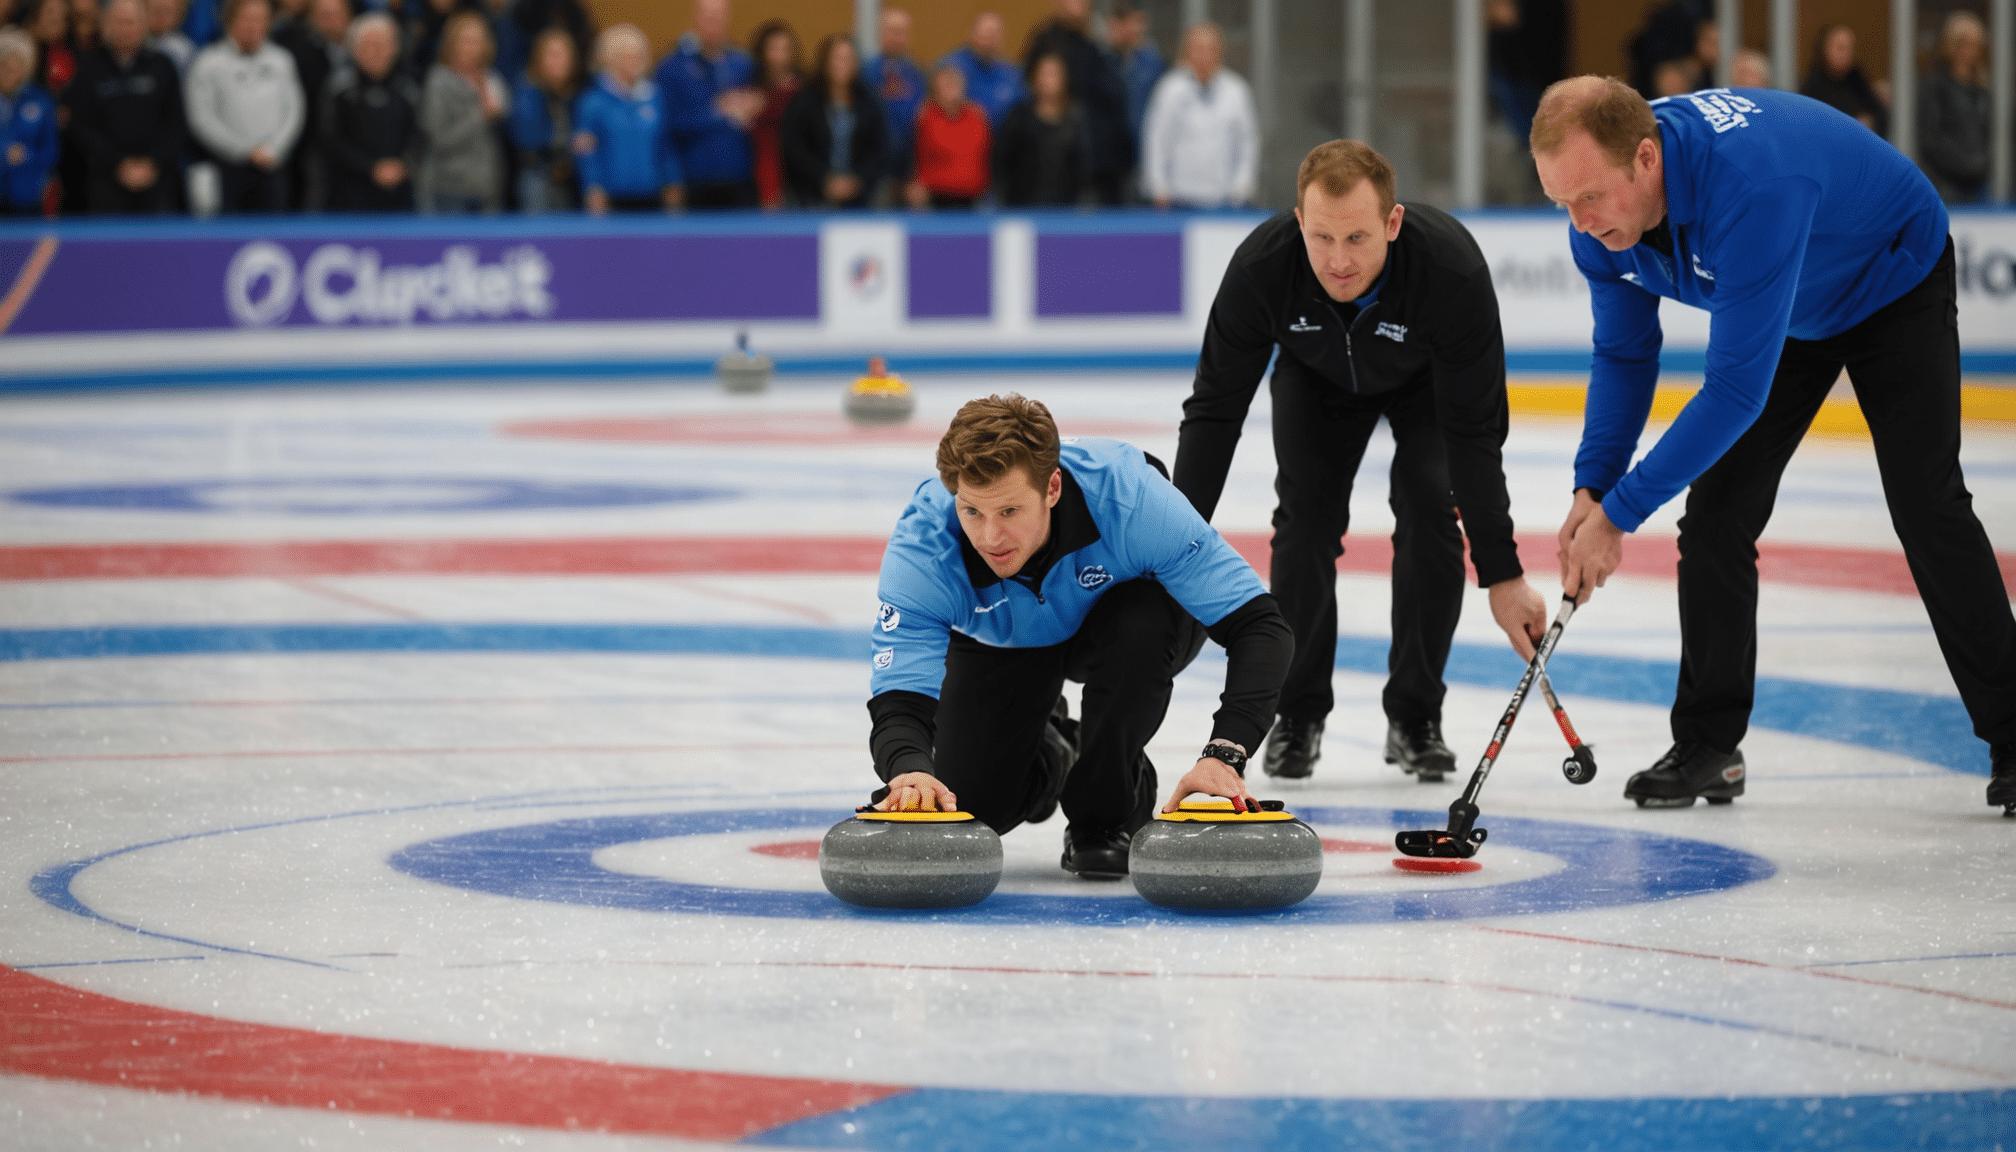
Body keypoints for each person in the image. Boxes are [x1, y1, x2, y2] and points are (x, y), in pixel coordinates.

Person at [1532, 77, 2016, 813]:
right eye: (1561, 202)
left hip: (1892, 272)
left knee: (1927, 503)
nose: (1579, 221)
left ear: (1646, 160)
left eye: (1589, 197)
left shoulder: (1753, 187)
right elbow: (1626, 356)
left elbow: (1733, 393)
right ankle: (1709, 745)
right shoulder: (1599, 225)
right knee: (1718, 514)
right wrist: (1593, 487)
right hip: (1794, 302)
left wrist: (1622, 514)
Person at [1172, 139, 1547, 782]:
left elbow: (1475, 437)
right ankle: (1297, 715)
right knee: (1305, 524)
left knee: (1432, 509)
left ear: (1393, 224)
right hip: (1316, 381)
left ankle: (1415, 717)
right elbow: (1213, 413)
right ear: (1298, 223)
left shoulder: (1449, 269)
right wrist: (1172, 545)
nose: (1339, 262)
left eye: (1357, 238)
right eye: (1322, 238)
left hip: (1426, 387)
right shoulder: (1263, 268)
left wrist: (1503, 571)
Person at [865, 393, 1293, 879]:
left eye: (1009, 511)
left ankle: (1104, 814)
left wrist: (1225, 754)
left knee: (1142, 621)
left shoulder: (1130, 498)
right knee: (975, 809)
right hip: (1007, 640)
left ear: (1052, 488)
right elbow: (900, 694)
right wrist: (909, 769)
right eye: (972, 512)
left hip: (1125, 626)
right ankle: (1056, 746)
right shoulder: (925, 545)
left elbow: (1259, 626)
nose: (989, 538)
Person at [65, 0, 181, 213]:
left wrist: (152, 162)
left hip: (157, 180)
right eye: (119, 22)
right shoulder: (88, 68)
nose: (126, 29)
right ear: (105, 25)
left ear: (145, 25)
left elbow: (175, 123)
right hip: (104, 181)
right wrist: (117, 164)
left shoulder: (163, 65)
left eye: (131, 22)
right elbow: (82, 126)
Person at [186, 0, 302, 212]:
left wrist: (274, 148)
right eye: (246, 18)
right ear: (229, 21)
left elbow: (294, 111)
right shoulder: (208, 63)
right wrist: (243, 151)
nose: (252, 25)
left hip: (272, 165)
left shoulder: (281, 60)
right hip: (226, 167)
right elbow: (201, 118)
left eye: (259, 19)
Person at [1139, 21, 1254, 209]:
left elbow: (1246, 142)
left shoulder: (1237, 90)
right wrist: (1158, 186)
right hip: (1178, 197)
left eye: (1210, 48)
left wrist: (1242, 186)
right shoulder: (1169, 89)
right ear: (1186, 52)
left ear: (1220, 52)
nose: (1204, 55)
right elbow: (1157, 138)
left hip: (1224, 198)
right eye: (1198, 48)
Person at [1022, 0, 1128, 204]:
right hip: (1060, 169)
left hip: (1103, 163)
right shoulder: (1046, 44)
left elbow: (1115, 98)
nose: (1080, 6)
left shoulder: (1093, 49)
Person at [655, 0, 757, 209]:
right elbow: (668, 125)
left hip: (739, 179)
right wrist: (717, 112)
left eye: (719, 16)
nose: (714, 22)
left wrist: (755, 108)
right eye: (709, 16)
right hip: (693, 181)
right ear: (696, 18)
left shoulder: (742, 64)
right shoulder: (673, 66)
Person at [572, 22, 679, 214]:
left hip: (651, 192)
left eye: (638, 55)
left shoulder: (653, 97)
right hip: (611, 196)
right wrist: (592, 186)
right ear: (609, 59)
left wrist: (672, 180)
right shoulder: (593, 102)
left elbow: (664, 144)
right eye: (625, 56)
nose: (633, 61)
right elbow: (586, 151)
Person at [321, 10, 416, 210]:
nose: (376, 52)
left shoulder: (408, 89)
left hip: (399, 192)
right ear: (354, 49)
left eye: (382, 45)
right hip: (348, 194)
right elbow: (330, 138)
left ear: (395, 48)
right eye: (369, 45)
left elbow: (421, 135)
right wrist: (370, 168)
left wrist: (403, 165)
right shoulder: (339, 89)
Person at [780, 32, 883, 209]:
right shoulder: (805, 100)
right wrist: (824, 179)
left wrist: (857, 180)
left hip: (859, 198)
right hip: (811, 197)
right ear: (826, 61)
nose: (842, 64)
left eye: (848, 59)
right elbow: (794, 147)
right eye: (837, 58)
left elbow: (880, 147)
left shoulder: (869, 101)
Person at [417, 8, 503, 212]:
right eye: (466, 41)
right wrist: (480, 115)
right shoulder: (438, 81)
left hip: (488, 184)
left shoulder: (492, 80)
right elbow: (439, 137)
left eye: (478, 41)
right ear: (452, 44)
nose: (472, 48)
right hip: (449, 186)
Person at [270, 0, 347, 208]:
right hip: (311, 143)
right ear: (312, 19)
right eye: (323, 15)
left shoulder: (358, 49)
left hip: (349, 144)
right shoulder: (301, 50)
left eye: (335, 15)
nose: (329, 21)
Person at [992, 51, 1083, 207]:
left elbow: (1082, 165)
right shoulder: (1018, 117)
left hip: (1065, 209)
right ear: (1034, 78)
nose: (1047, 81)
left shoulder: (1075, 118)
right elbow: (1000, 158)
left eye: (1053, 75)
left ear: (1064, 79)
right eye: (1043, 74)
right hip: (1021, 207)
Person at [1917, 11, 1990, 204]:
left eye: (1977, 45)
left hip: (1982, 185)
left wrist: (1983, 164)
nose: (1972, 51)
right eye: (1966, 44)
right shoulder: (1935, 87)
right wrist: (1968, 165)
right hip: (1947, 187)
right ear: (1952, 45)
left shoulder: (1983, 90)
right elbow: (1932, 139)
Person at [507, 25, 574, 211]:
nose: (559, 61)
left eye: (564, 55)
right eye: (553, 54)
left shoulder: (565, 95)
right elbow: (527, 137)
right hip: (536, 177)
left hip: (561, 179)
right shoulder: (527, 90)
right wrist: (572, 143)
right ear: (539, 58)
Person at [907, 59, 986, 208]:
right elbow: (911, 154)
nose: (951, 86)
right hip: (934, 196)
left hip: (973, 197)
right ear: (934, 87)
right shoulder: (924, 115)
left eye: (955, 81)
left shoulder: (977, 116)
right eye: (946, 82)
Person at [864, 5, 919, 201]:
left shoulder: (918, 75)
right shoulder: (865, 73)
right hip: (874, 171)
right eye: (891, 31)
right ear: (880, 33)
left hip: (909, 172)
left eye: (901, 32)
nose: (896, 36)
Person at [0, 26, 57, 215]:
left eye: (13, 64)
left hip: (28, 196)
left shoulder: (40, 101)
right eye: (2, 64)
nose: (7, 70)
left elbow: (51, 150)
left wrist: (26, 156)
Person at [1102, 0, 1161, 172]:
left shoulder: (1154, 65)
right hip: (1110, 158)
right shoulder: (1104, 62)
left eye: (1140, 22)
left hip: (1143, 155)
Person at [745, 17, 797, 209]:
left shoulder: (803, 91)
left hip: (799, 174)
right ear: (763, 52)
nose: (779, 56)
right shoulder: (753, 89)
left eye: (785, 49)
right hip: (760, 173)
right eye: (773, 49)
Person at [1800, 23, 1886, 135]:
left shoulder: (1857, 78)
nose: (1846, 54)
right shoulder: (1812, 85)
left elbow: (1879, 115)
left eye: (1850, 48)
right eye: (1841, 48)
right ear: (1825, 48)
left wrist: (1870, 121)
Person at [942, 11, 1021, 127]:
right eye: (986, 33)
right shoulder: (951, 68)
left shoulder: (1011, 72)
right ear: (971, 34)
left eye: (995, 33)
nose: (991, 39)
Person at [145, 0, 193, 72]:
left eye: (167, 12)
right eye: (157, 11)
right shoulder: (134, 42)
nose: (161, 17)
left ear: (180, 15)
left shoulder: (182, 50)